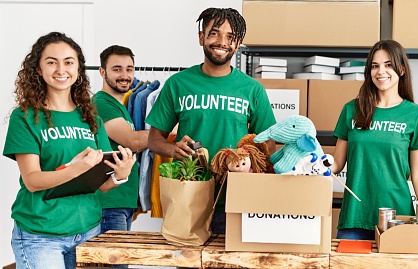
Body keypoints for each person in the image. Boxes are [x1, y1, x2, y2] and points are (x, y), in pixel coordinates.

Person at [3, 32, 136, 269]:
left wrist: (120, 174)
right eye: (51, 62)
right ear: (38, 70)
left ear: (78, 70)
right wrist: (77, 167)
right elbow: (33, 181)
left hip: (88, 230)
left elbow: (101, 183)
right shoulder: (25, 117)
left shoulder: (91, 117)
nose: (60, 69)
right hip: (41, 235)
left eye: (68, 62)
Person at [145, 7, 276, 235]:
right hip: (188, 197)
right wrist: (173, 149)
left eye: (230, 37)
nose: (222, 41)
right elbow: (154, 139)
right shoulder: (178, 84)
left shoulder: (253, 89)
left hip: (235, 202)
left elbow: (268, 145)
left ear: (237, 44)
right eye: (214, 33)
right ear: (201, 37)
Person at [330, 40, 418, 240]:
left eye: (388, 65)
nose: (381, 72)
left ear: (401, 69)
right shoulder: (351, 110)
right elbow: (336, 163)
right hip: (355, 217)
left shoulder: (416, 115)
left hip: (398, 218)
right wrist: (315, 164)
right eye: (375, 66)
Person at [94, 45, 147, 238]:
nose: (124, 75)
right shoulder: (101, 104)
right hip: (110, 203)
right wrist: (164, 132)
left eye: (129, 69)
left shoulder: (119, 106)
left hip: (121, 201)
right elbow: (132, 141)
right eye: (117, 69)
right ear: (102, 72)